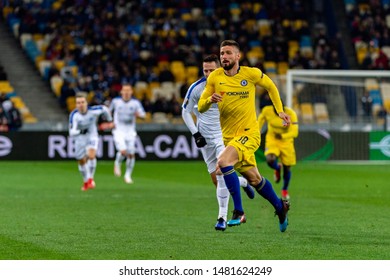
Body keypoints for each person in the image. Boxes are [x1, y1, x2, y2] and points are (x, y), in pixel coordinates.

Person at [198, 40, 291, 232]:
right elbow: (200, 106)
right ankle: (280, 207)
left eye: (229, 53)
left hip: (250, 134)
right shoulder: (214, 77)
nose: (224, 56)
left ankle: (239, 211)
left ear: (238, 56)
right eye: (222, 53)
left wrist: (280, 110)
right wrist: (209, 100)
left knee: (223, 163)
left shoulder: (251, 73)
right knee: (255, 180)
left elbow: (271, 87)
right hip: (230, 138)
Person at [182, 54, 255, 231]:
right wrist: (196, 134)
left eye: (211, 70)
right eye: (205, 70)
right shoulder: (196, 88)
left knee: (221, 172)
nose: (208, 74)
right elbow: (185, 111)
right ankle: (242, 182)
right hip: (205, 137)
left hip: (224, 135)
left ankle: (221, 218)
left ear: (219, 68)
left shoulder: (229, 84)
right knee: (216, 180)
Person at [69, 92, 114, 191]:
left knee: (91, 155)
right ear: (76, 104)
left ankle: (90, 179)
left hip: (92, 136)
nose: (81, 105)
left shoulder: (94, 111)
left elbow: (104, 109)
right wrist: (80, 131)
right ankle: (86, 181)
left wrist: (110, 120)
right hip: (80, 138)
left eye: (82, 102)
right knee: (81, 161)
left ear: (86, 102)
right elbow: (71, 131)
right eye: (78, 103)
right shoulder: (74, 115)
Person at [258, 100, 299, 201]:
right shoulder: (267, 111)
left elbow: (295, 132)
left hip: (286, 141)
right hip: (272, 139)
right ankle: (277, 168)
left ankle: (284, 189)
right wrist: (256, 133)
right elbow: (259, 122)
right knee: (270, 160)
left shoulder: (291, 114)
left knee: (287, 169)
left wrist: (282, 135)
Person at [109, 83, 146, 184]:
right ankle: (117, 163)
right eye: (124, 90)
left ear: (131, 92)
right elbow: (109, 112)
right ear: (121, 92)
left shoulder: (135, 103)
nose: (126, 92)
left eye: (128, 90)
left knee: (131, 154)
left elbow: (143, 115)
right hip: (119, 129)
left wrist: (139, 115)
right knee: (123, 151)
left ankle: (127, 175)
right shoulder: (116, 102)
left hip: (130, 130)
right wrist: (110, 122)